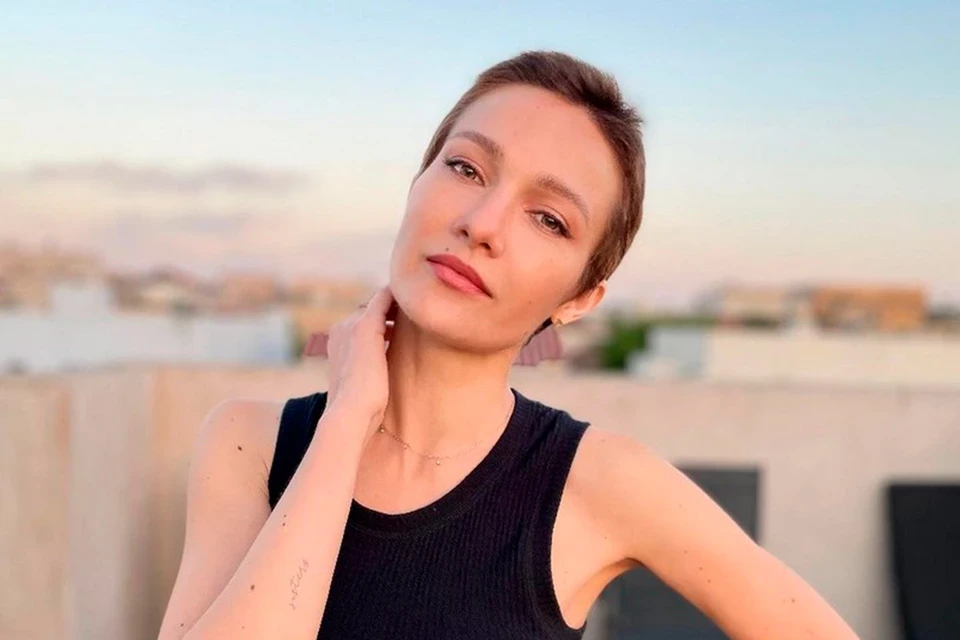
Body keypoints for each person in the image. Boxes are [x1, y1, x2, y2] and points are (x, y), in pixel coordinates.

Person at [159, 50, 859, 639]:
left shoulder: (597, 480)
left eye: (548, 219)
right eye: (466, 168)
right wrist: (345, 423)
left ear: (579, 299)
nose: (483, 223)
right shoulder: (250, 445)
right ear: (417, 182)